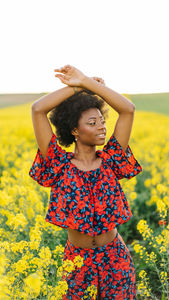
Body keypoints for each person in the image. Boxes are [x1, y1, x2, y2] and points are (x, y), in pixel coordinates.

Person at [29, 64, 143, 299]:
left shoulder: (112, 159)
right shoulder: (58, 164)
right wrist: (78, 86)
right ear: (75, 131)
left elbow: (128, 110)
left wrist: (91, 86)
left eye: (102, 121)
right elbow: (38, 109)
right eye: (92, 123)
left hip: (115, 258)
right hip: (77, 262)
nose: (101, 127)